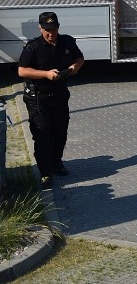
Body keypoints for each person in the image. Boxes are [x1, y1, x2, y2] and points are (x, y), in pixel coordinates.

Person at [18, 11, 84, 188]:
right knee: (42, 135)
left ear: (58, 27)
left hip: (60, 95)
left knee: (60, 133)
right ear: (40, 28)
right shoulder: (33, 47)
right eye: (46, 29)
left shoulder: (67, 42)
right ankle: (45, 173)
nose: (50, 33)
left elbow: (80, 58)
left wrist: (74, 67)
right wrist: (45, 74)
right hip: (38, 98)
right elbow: (22, 71)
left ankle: (57, 163)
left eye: (53, 29)